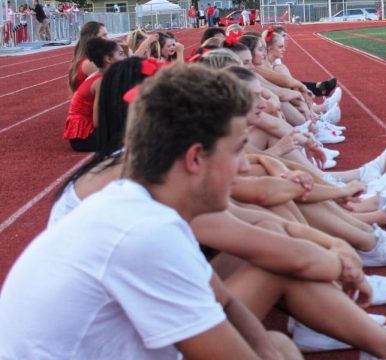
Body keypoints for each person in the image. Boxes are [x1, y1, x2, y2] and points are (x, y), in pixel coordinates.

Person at [0, 64, 297, 358]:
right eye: (236, 151)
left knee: (276, 345)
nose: (245, 166)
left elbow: (226, 302)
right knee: (278, 321)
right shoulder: (144, 231)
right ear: (194, 158)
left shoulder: (135, 204)